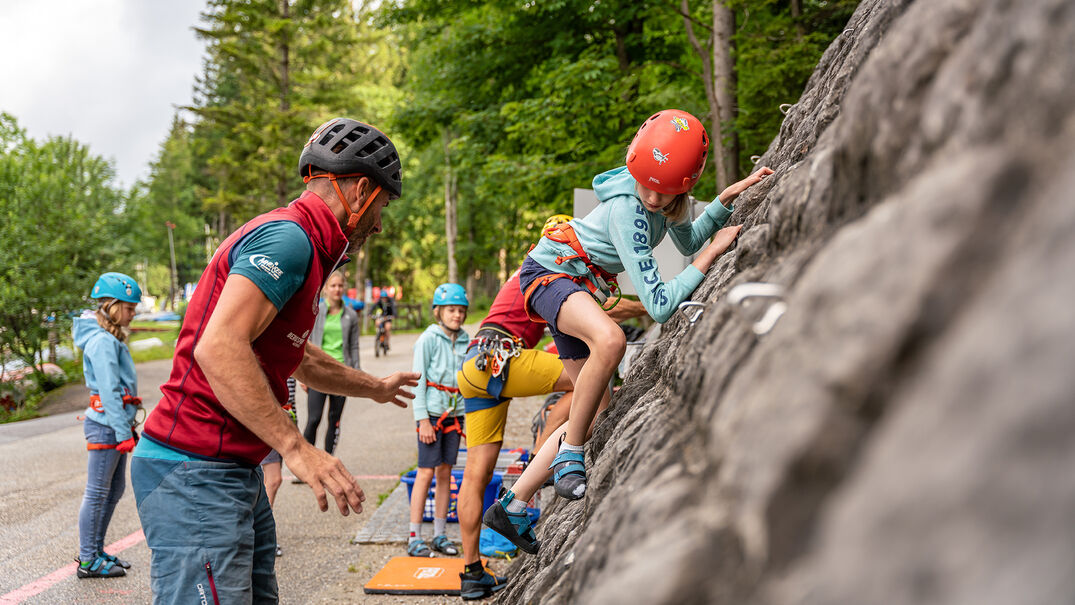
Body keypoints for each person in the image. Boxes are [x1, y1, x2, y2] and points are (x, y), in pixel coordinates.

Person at [130, 117, 420, 604]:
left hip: (230, 469)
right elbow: (219, 346)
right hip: (194, 468)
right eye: (382, 207)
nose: (379, 224)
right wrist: (297, 448)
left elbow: (295, 353)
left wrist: (373, 387)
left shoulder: (308, 244)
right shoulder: (289, 241)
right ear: (361, 191)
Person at [484, 109, 773, 557]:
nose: (655, 199)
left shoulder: (667, 202)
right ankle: (571, 456)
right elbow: (659, 303)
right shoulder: (628, 211)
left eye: (667, 190)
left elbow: (688, 241)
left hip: (578, 283)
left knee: (592, 408)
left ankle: (514, 504)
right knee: (612, 342)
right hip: (551, 273)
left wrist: (723, 202)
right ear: (636, 166)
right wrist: (712, 255)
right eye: (649, 186)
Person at [455, 215, 647, 600]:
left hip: (474, 366)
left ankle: (472, 571)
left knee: (476, 475)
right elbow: (608, 314)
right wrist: (651, 304)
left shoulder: (527, 275)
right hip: (501, 357)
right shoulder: (552, 271)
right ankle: (554, 458)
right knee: (593, 385)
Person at [72, 272, 142, 579]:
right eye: (129, 308)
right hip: (106, 426)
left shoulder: (109, 337)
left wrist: (127, 427)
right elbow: (110, 390)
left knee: (114, 490)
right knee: (98, 492)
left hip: (113, 424)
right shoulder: (101, 341)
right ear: (112, 306)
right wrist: (124, 432)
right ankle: (88, 560)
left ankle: (96, 550)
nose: (133, 313)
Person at [407, 283, 470, 558]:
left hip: (455, 416)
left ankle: (440, 534)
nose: (457, 315)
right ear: (439, 312)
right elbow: (417, 382)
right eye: (451, 310)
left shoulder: (467, 340)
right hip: (431, 415)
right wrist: (422, 420)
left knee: (446, 474)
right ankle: (414, 536)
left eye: (460, 310)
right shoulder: (428, 339)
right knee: (425, 473)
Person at [301, 270, 361, 455]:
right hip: (318, 372)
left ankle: (329, 461)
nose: (337, 289)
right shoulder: (315, 311)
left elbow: (354, 347)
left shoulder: (351, 315)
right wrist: (303, 374)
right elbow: (306, 342)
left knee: (334, 419)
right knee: (314, 419)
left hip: (341, 374)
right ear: (325, 289)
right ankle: (307, 462)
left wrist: (357, 373)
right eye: (333, 285)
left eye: (340, 286)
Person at [261, 377, 297, 557]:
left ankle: (261, 535)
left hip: (285, 421)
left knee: (268, 482)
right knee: (274, 480)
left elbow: (291, 398)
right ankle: (263, 536)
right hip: (268, 422)